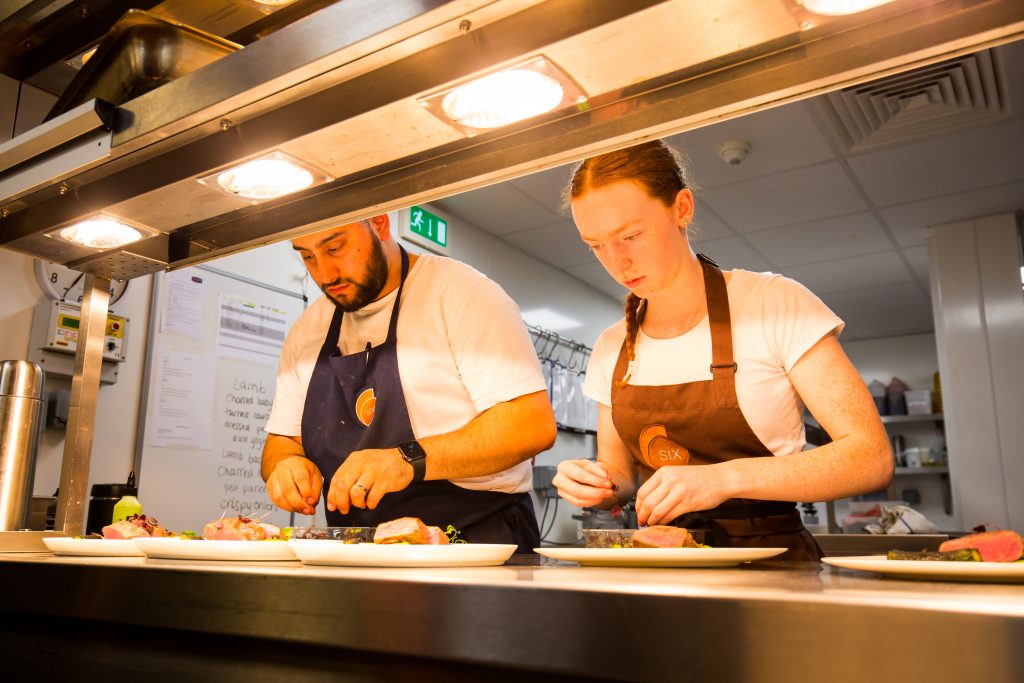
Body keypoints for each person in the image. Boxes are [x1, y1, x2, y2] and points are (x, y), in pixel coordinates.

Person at [552, 140, 892, 561]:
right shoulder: (612, 346)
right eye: (596, 245)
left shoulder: (773, 303)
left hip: (772, 565)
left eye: (631, 235)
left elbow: (869, 456)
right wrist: (594, 483)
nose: (617, 262)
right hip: (662, 564)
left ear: (682, 208)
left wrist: (725, 478)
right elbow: (620, 478)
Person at [261, 214, 556, 551]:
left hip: (472, 539)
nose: (325, 274)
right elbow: (281, 441)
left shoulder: (461, 293)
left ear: (380, 223)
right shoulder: (308, 330)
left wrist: (405, 460)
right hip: (357, 549)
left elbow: (531, 424)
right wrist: (285, 464)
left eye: (335, 247)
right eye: (308, 257)